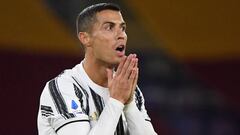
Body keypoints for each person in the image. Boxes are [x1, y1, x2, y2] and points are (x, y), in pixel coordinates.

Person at [37, 3, 157, 135]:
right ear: (85, 38)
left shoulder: (127, 89)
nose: (121, 35)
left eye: (122, 28)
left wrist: (129, 105)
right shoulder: (63, 87)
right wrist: (116, 101)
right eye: (109, 27)